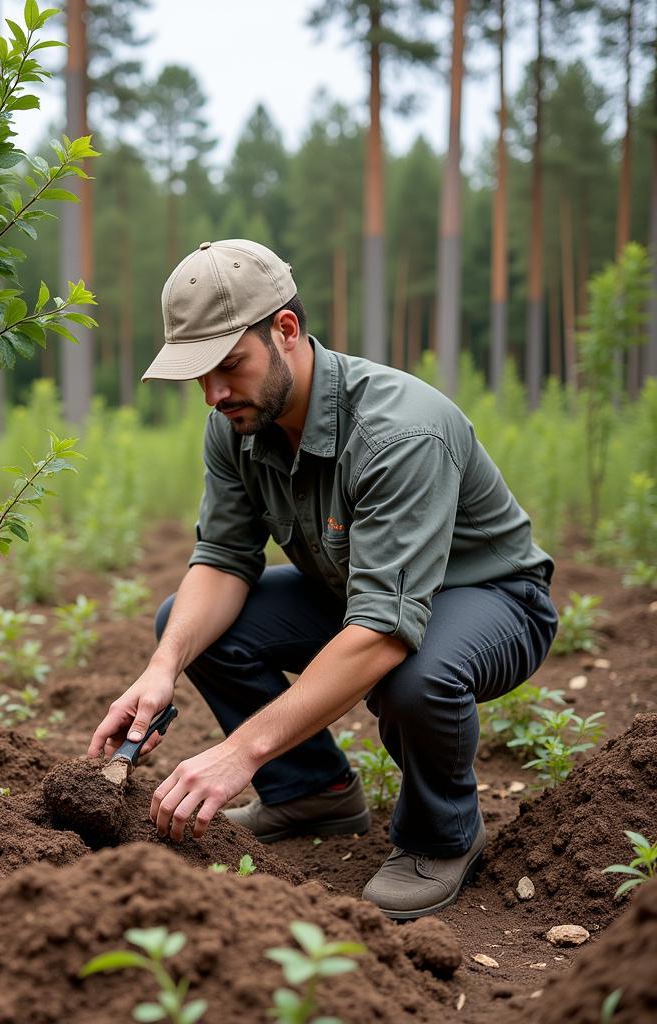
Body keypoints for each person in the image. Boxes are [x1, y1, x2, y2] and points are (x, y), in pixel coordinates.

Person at [87, 239, 558, 920]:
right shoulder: (237, 423)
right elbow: (222, 559)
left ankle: (441, 835)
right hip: (359, 594)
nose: (215, 393)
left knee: (413, 676)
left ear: (285, 330)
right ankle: (312, 793)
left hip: (491, 599)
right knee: (185, 628)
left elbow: (384, 634)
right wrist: (163, 667)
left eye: (229, 365)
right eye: (200, 374)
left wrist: (240, 750)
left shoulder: (400, 434)